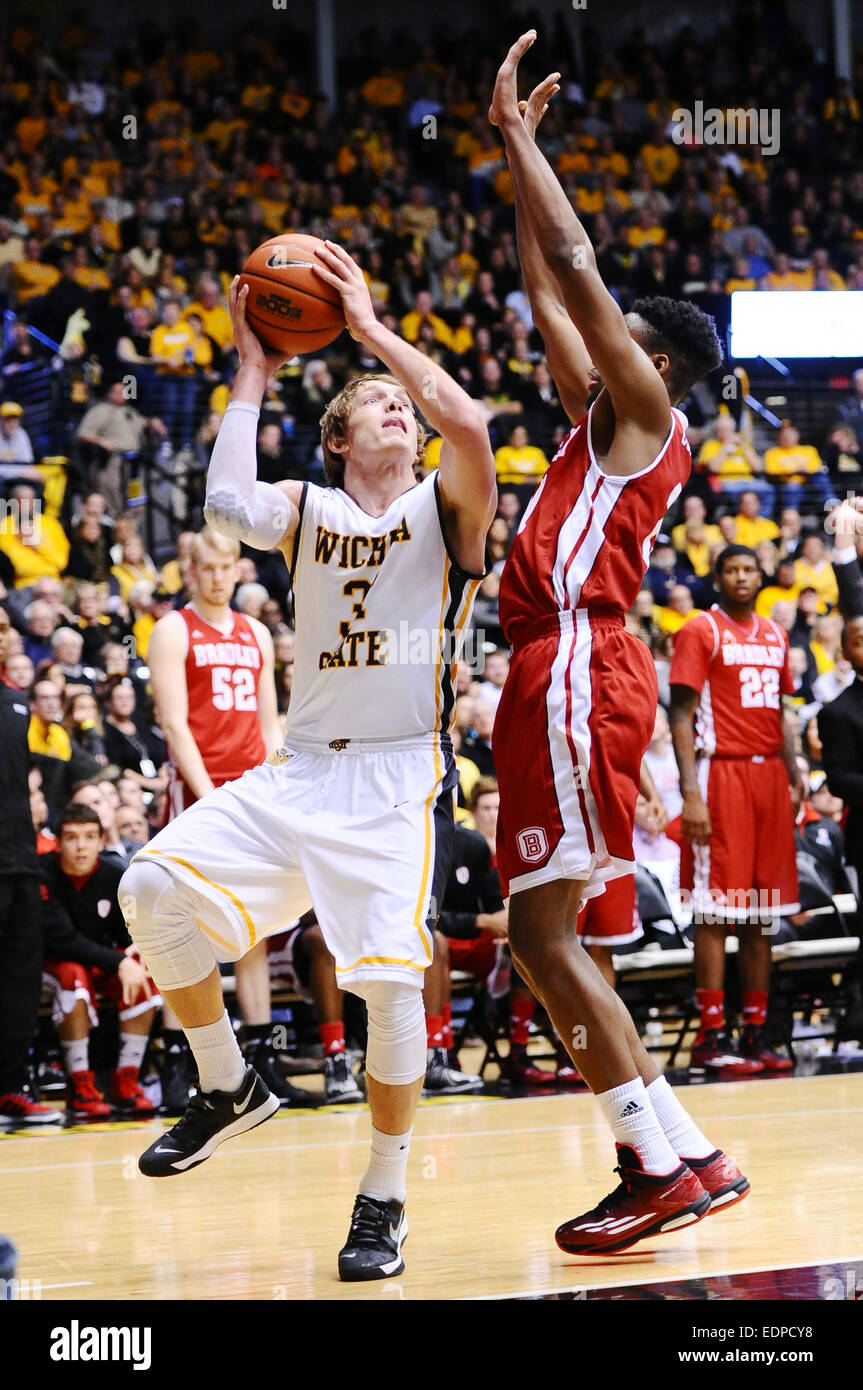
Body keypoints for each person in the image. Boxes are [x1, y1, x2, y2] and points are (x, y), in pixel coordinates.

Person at [118, 250, 495, 1282]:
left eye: (399, 406)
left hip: (390, 778)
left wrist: (370, 331)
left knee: (384, 984)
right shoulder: (307, 511)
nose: (397, 414)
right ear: (336, 437)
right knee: (147, 885)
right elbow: (224, 511)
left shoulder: (442, 506)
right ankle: (229, 1082)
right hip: (298, 772)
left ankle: (383, 1195)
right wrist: (250, 371)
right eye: (373, 403)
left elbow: (467, 425)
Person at [488, 34, 747, 1258]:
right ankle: (680, 1149)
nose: (593, 338)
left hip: (577, 662)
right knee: (546, 934)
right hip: (564, 667)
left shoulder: (644, 412)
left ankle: (649, 1165)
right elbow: (550, 286)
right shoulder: (598, 418)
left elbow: (579, 261)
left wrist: (529, 140)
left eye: (618, 332)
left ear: (654, 364)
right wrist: (503, 161)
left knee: (539, 935)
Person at [146, 525, 305, 1111]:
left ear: (238, 568)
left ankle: (261, 1059)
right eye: (207, 568)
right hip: (198, 794)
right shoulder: (171, 630)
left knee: (253, 926)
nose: (218, 577)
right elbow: (175, 723)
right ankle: (177, 1062)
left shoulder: (257, 633)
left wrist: (277, 788)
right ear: (191, 571)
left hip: (252, 790)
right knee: (179, 923)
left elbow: (269, 726)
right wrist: (209, 793)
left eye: (227, 567)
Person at [669, 545, 802, 1075]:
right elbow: (680, 714)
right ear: (718, 578)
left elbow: (783, 714)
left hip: (769, 775)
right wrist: (690, 793)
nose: (741, 577)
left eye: (749, 569)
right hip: (720, 773)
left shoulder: (774, 632)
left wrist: (793, 773)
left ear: (761, 576)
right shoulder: (701, 629)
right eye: (731, 570)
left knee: (761, 910)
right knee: (714, 910)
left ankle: (755, 1030)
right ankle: (709, 1034)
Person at [41, 804, 159, 1118]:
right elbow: (60, 940)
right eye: (72, 838)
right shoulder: (42, 873)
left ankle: (127, 1081)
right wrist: (118, 962)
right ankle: (79, 1085)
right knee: (74, 976)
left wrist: (135, 949)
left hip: (97, 961)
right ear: (58, 842)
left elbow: (127, 932)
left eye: (89, 837)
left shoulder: (114, 874)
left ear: (101, 840)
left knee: (147, 973)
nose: (81, 846)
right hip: (49, 964)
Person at [0, 603, 60, 1124]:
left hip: (21, 861)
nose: (4, 638)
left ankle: (11, 1086)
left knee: (20, 980)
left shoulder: (18, 705)